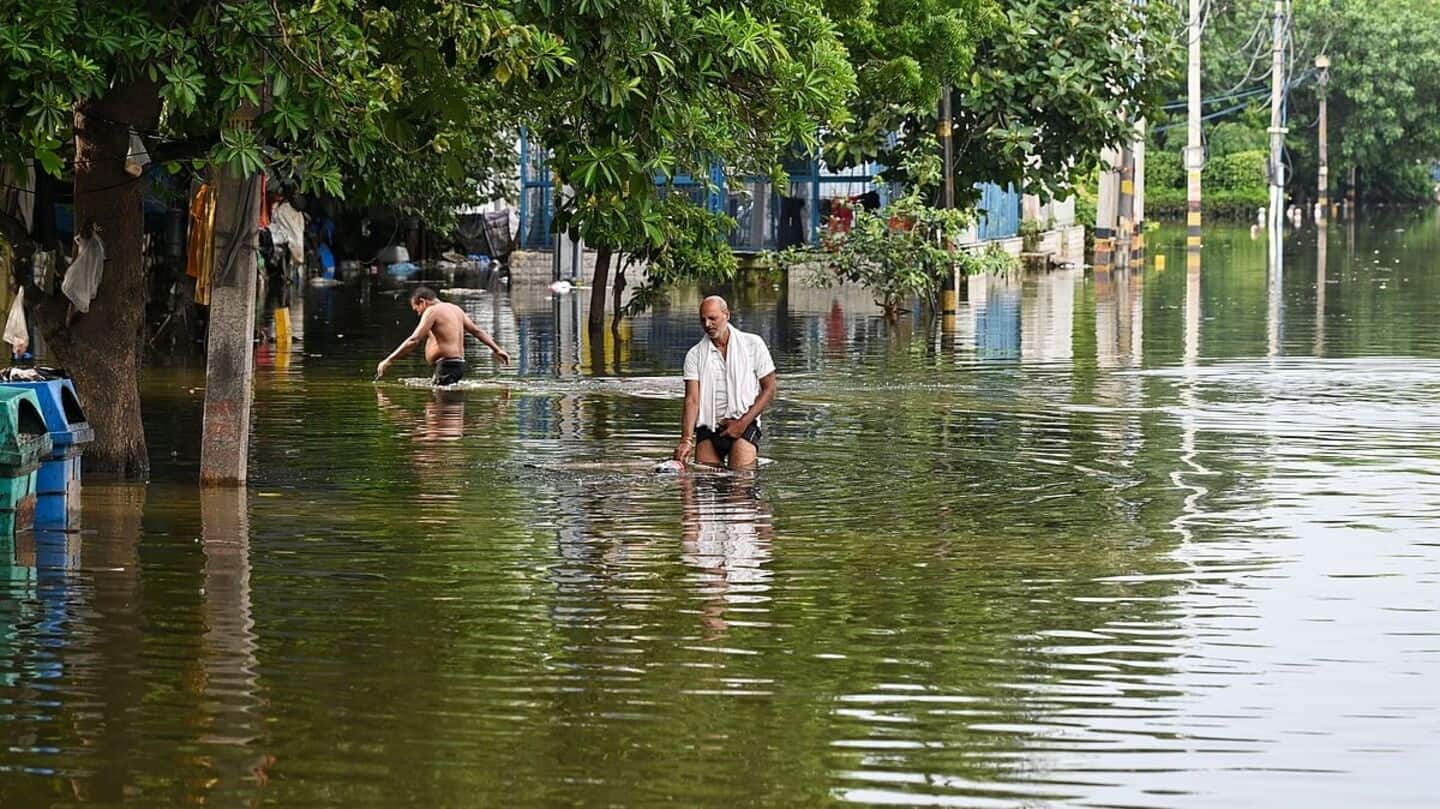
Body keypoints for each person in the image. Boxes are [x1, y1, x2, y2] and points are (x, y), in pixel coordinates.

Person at [673, 296, 777, 469]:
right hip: (709, 425)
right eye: (703, 320)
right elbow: (692, 400)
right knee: (705, 486)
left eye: (712, 318)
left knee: (739, 486)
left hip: (745, 423)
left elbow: (769, 388)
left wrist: (742, 424)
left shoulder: (753, 344)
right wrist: (686, 440)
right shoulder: (695, 354)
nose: (707, 325)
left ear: (726, 315)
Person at [375, 286, 510, 384]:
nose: (418, 314)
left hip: (447, 365)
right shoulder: (455, 309)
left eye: (417, 309)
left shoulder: (432, 311)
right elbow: (477, 331)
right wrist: (497, 349)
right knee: (439, 413)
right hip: (457, 365)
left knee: (439, 416)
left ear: (423, 302)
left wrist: (389, 360)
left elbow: (414, 340)